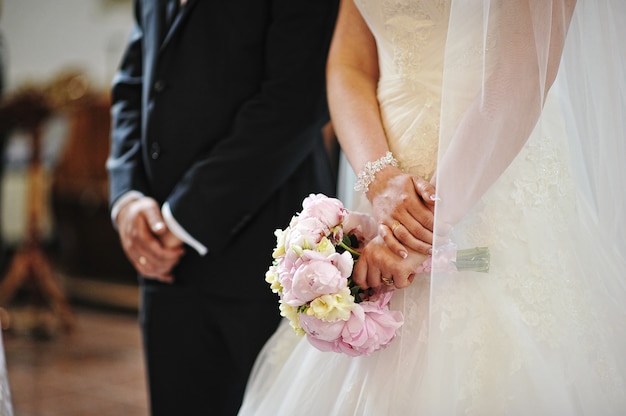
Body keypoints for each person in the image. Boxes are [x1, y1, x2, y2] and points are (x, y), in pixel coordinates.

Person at [238, 0, 626, 414]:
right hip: (381, 179)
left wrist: (425, 226)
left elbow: (524, 68)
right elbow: (349, 65)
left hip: (491, 174)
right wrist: (378, 177)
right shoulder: (381, 183)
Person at [107, 1, 339, 414]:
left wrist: (183, 218)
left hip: (267, 257)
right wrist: (127, 197)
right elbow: (133, 84)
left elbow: (298, 100)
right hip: (163, 263)